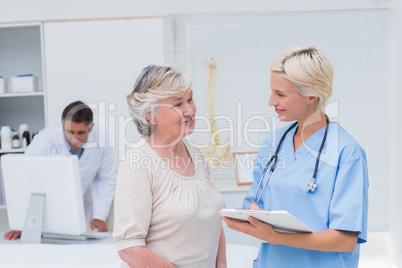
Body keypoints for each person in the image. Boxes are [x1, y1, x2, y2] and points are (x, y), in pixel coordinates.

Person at [221, 46, 368, 267]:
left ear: (312, 95)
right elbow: (254, 205)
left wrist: (276, 237)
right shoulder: (273, 143)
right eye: (272, 91)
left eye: (280, 94)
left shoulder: (346, 152)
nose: (271, 101)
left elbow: (346, 240)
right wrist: (248, 217)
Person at [113, 65, 227, 268]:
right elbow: (130, 249)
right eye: (177, 104)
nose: (190, 110)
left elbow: (212, 225)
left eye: (190, 99)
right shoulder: (137, 163)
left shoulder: (196, 154)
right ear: (150, 114)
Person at [4, 101, 116, 240]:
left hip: (83, 215)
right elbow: (25, 180)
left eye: (81, 133)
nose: (75, 138)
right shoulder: (44, 140)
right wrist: (23, 223)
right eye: (70, 132)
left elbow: (106, 179)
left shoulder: (101, 139)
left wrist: (99, 216)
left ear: (91, 128)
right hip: (47, 215)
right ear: (62, 126)